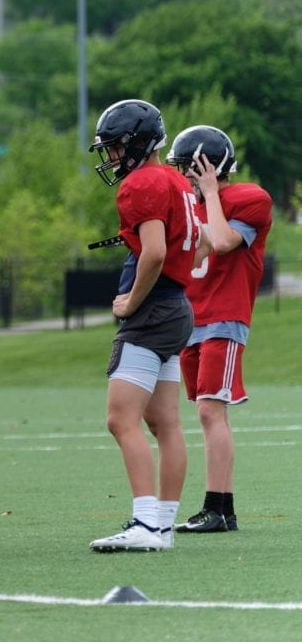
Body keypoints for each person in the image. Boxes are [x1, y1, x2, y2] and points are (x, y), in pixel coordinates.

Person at [85, 99, 205, 552]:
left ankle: (145, 523)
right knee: (165, 421)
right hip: (177, 308)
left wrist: (131, 301)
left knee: (121, 419)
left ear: (138, 143)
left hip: (153, 310)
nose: (112, 157)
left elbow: (153, 252)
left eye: (115, 148)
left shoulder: (143, 184)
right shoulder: (177, 181)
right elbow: (205, 242)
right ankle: (163, 524)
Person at [165, 125, 273, 534]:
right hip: (192, 320)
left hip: (224, 317)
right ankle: (221, 511)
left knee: (212, 410)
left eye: (187, 167)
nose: (184, 175)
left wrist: (210, 193)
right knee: (205, 411)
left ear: (207, 166)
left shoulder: (250, 198)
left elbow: (225, 240)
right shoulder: (190, 204)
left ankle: (216, 507)